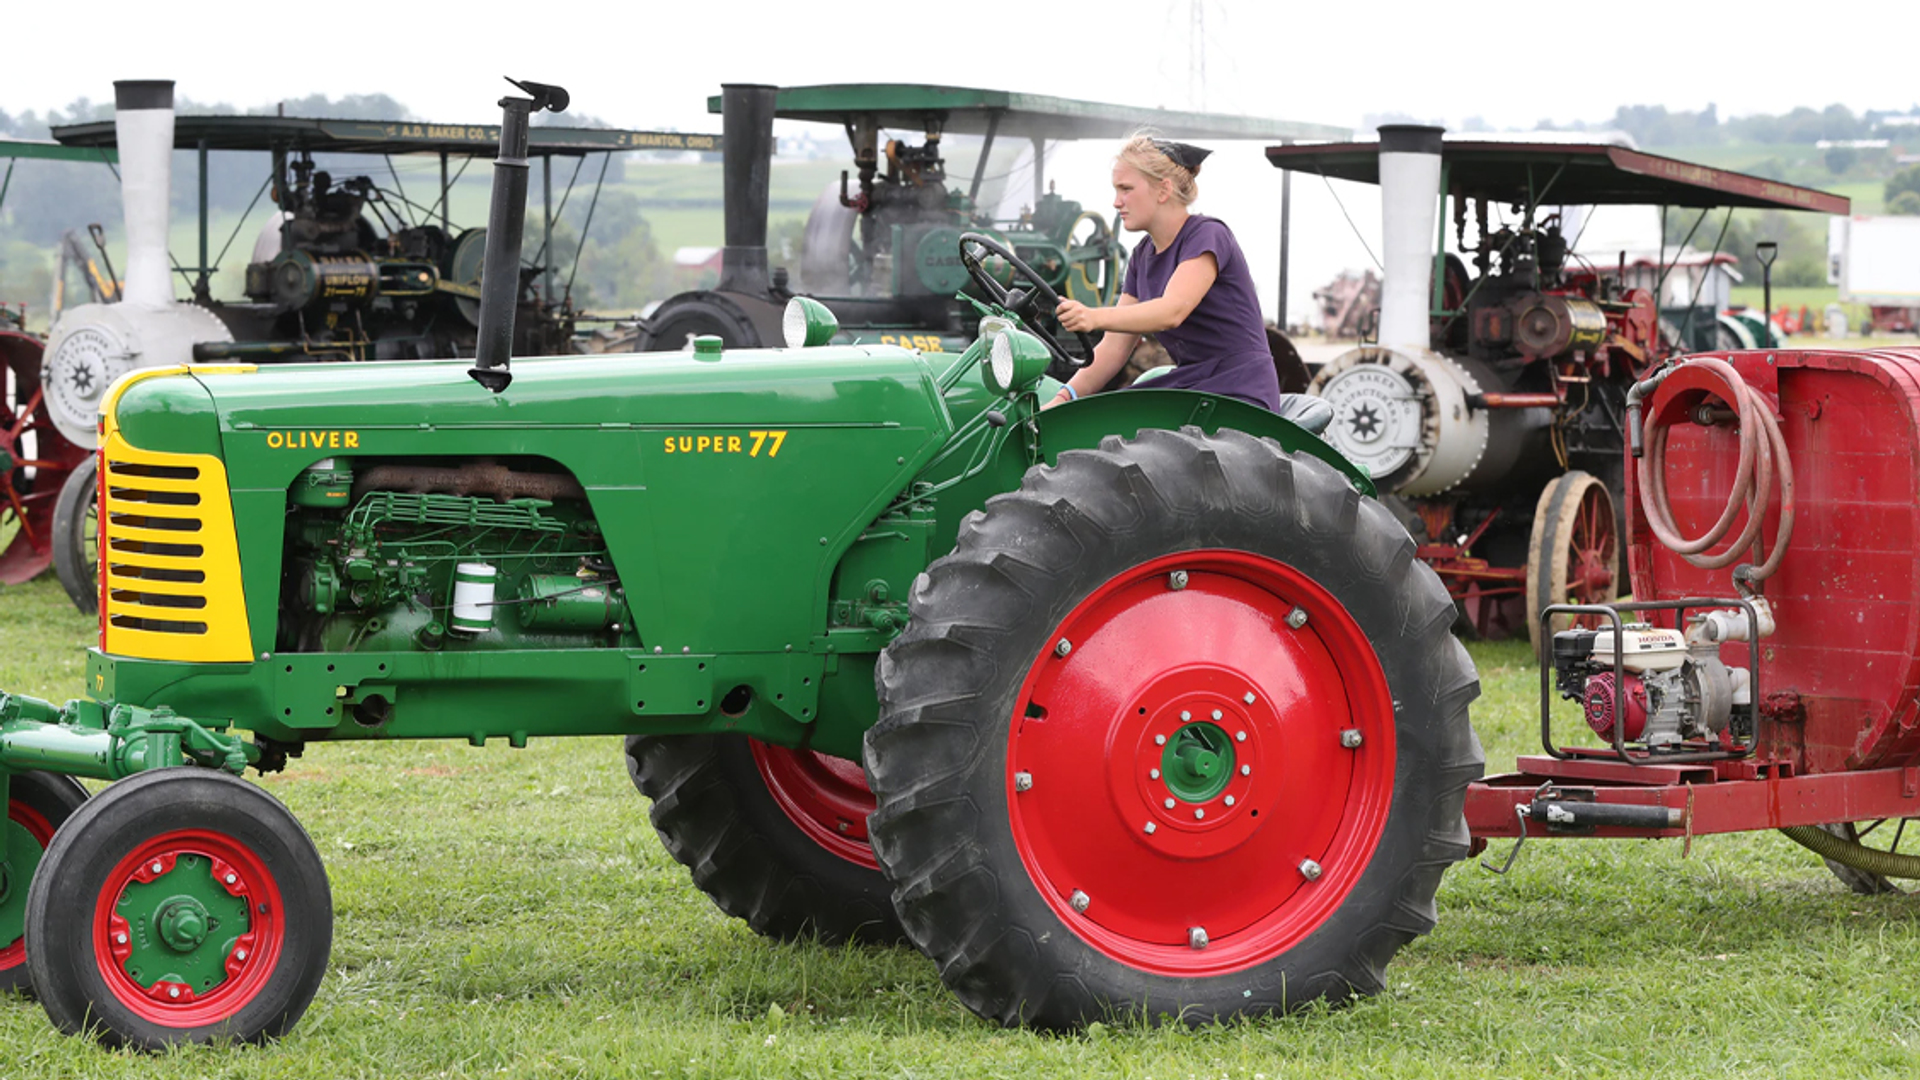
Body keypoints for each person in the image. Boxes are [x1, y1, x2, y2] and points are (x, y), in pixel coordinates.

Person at [1048, 136, 1330, 432]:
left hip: (1238, 389)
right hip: (1195, 384)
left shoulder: (1207, 235)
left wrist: (1093, 316)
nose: (1116, 202)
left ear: (1163, 190)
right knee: (1093, 424)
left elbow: (1172, 311)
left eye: (1126, 189)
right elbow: (1113, 349)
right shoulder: (1141, 256)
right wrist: (1063, 398)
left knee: (1120, 430)